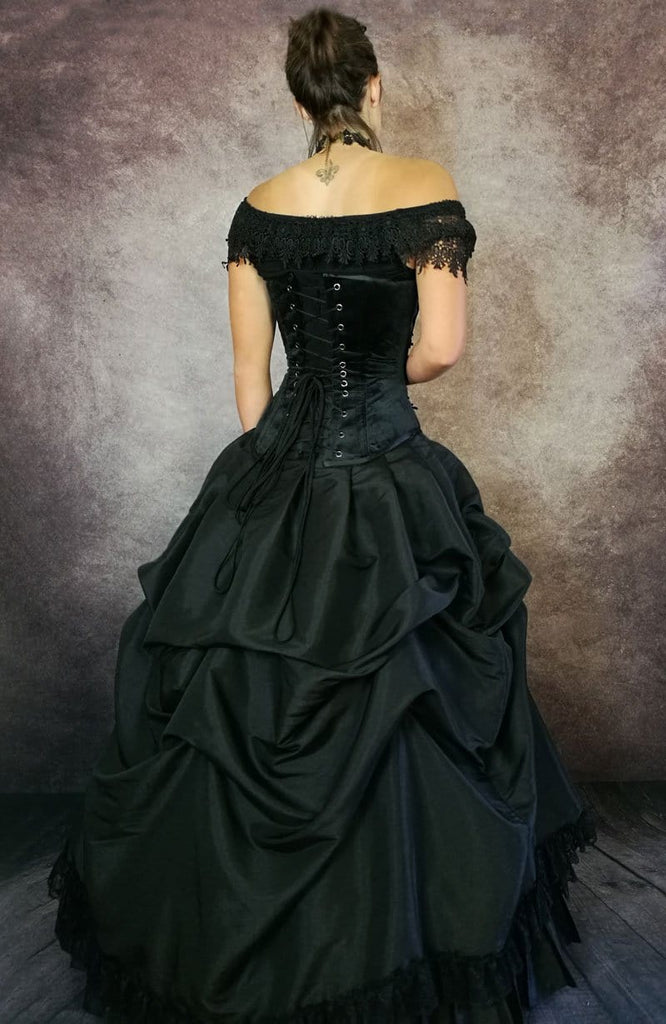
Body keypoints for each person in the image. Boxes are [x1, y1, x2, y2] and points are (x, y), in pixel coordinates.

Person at [47, 6, 598, 1023]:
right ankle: (408, 929)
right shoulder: (424, 188)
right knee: (413, 683)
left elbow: (249, 383)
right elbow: (443, 348)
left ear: (297, 100)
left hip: (278, 468)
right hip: (387, 467)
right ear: (373, 87)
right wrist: (381, 383)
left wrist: (285, 460)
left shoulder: (258, 209)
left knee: (241, 692)